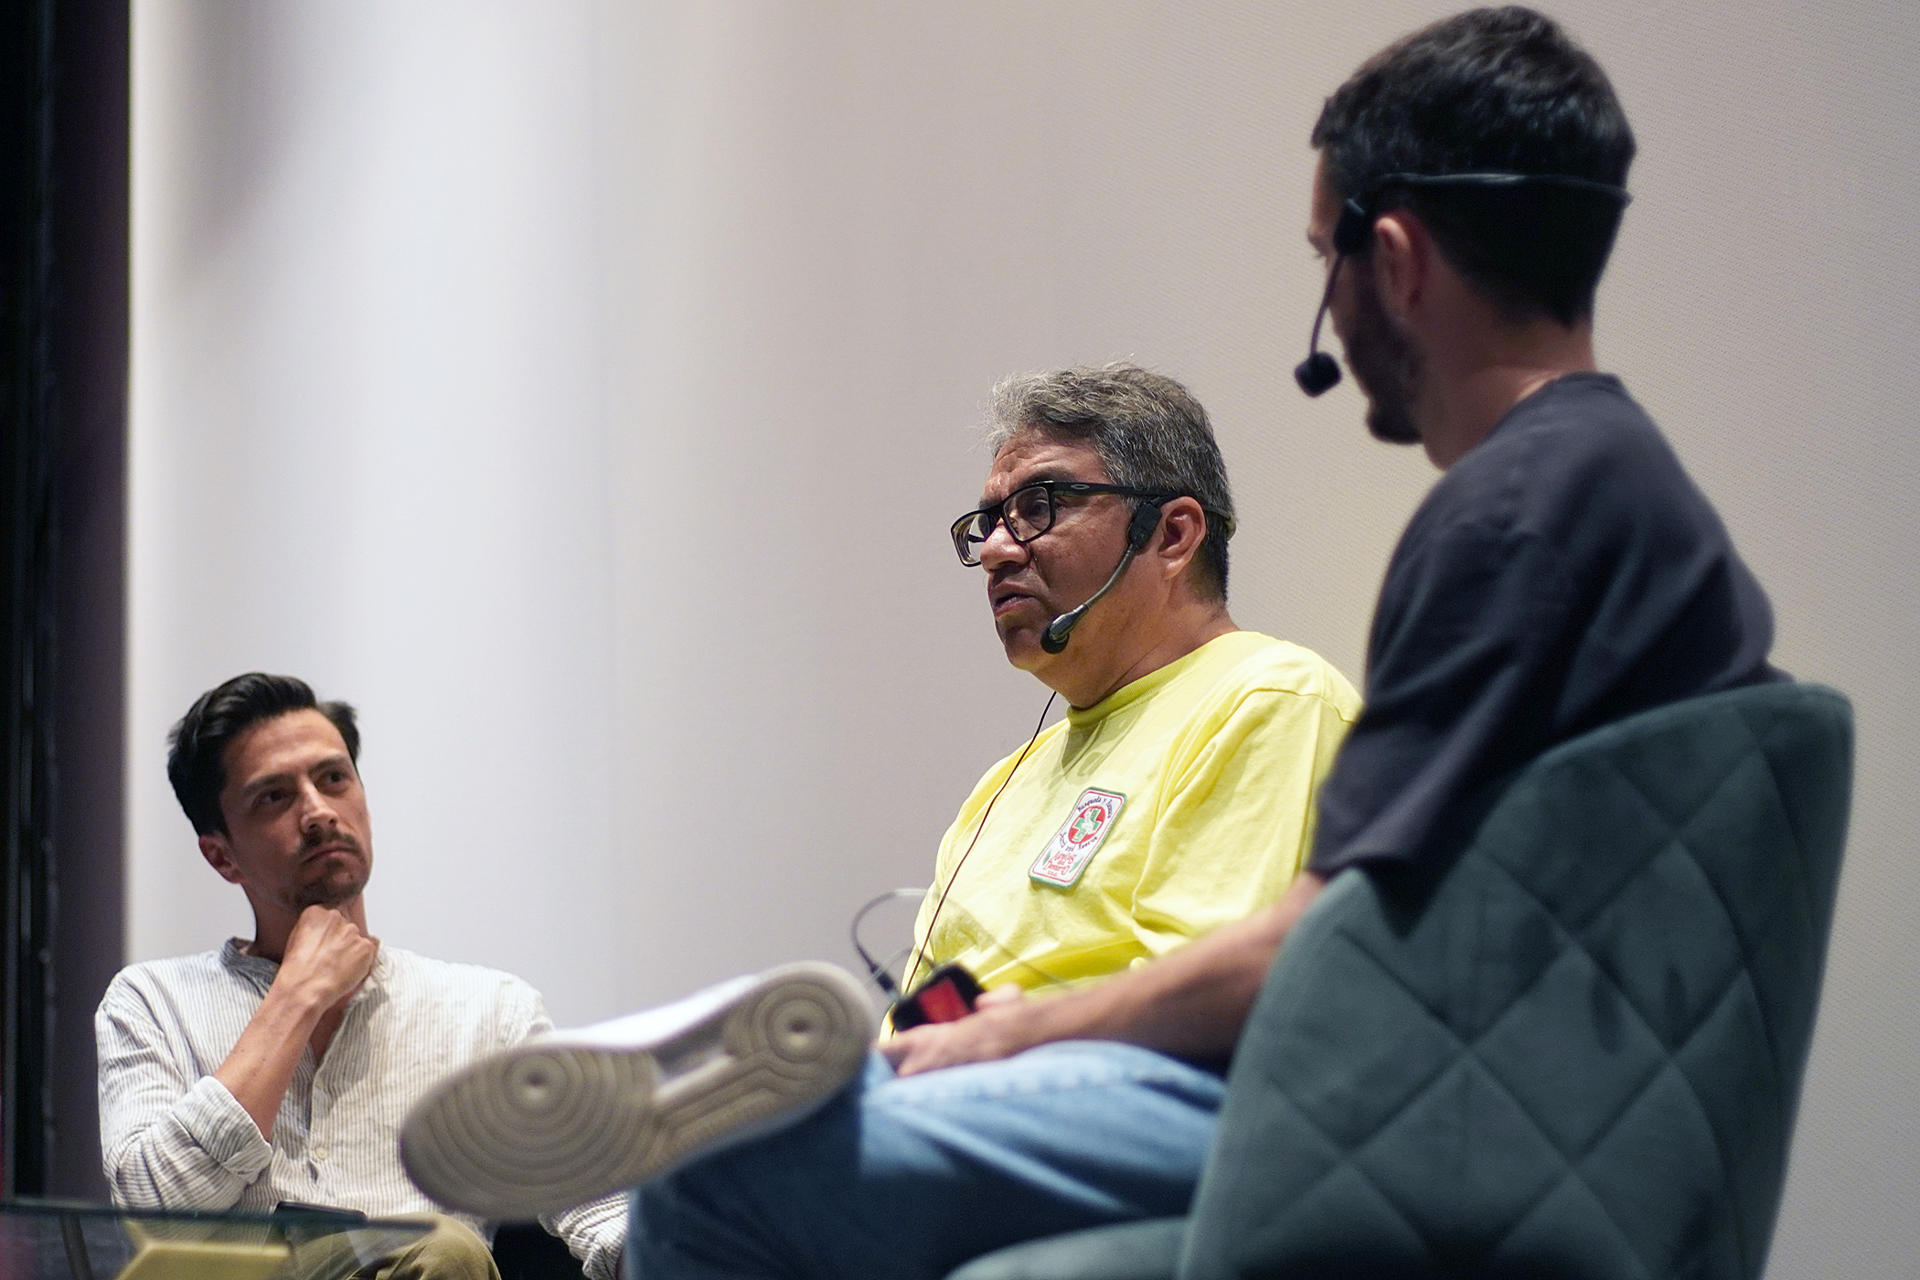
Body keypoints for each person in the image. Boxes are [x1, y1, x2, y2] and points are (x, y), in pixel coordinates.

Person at [401, 363, 1361, 1279]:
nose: (994, 547)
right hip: (997, 1092)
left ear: (1176, 532)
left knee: (718, 1187)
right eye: (986, 520)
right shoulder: (1005, 784)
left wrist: (1002, 1040)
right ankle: (737, 1096)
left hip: (1186, 1102)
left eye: (1039, 507)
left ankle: (734, 1102)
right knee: (677, 1196)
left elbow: (1242, 989)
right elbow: (939, 1003)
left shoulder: (1269, 694)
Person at [96, 673, 628, 1280]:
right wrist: (296, 996)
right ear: (222, 854)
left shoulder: (489, 1011)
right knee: (444, 1244)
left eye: (333, 779)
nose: (318, 812)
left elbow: (602, 1209)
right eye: (274, 796)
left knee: (445, 1247)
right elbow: (155, 1215)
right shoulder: (151, 1002)